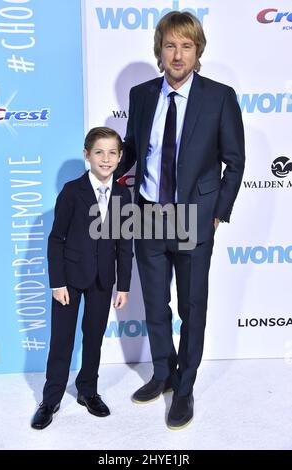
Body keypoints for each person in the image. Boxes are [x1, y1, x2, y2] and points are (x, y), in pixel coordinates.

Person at [116, 11, 245, 430]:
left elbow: (235, 162)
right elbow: (135, 148)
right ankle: (163, 373)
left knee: (192, 308)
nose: (177, 54)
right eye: (170, 45)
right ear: (159, 50)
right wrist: (111, 171)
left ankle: (184, 388)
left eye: (186, 46)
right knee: (154, 305)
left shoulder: (219, 97)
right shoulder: (140, 95)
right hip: (149, 212)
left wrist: (217, 214)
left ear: (197, 51)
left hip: (194, 217)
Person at [31, 127, 133, 429]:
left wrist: (123, 285)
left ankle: (87, 390)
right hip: (70, 280)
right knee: (62, 341)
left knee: (93, 338)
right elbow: (56, 239)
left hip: (103, 279)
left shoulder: (123, 194)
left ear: (120, 157)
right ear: (86, 154)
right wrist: (57, 282)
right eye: (99, 152)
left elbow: (125, 244)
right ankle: (50, 398)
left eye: (112, 152)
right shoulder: (72, 191)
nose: (106, 158)